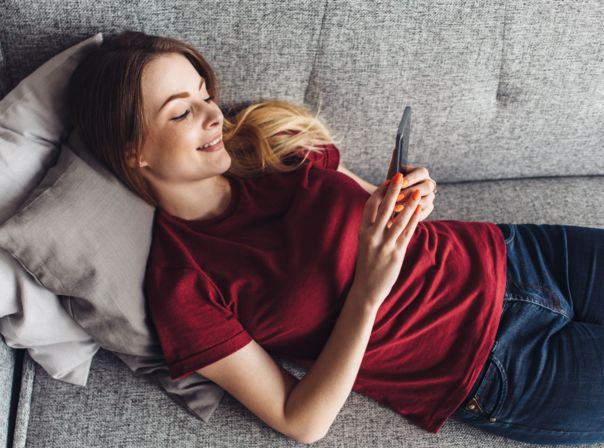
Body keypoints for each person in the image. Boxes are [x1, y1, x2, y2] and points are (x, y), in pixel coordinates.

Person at [66, 30, 604, 445]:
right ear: (132, 150)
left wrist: (412, 198)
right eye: (181, 111)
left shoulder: (267, 148)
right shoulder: (182, 284)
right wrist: (367, 293)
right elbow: (301, 421)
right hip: (496, 363)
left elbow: (380, 207)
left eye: (204, 92)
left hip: (521, 255)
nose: (213, 114)